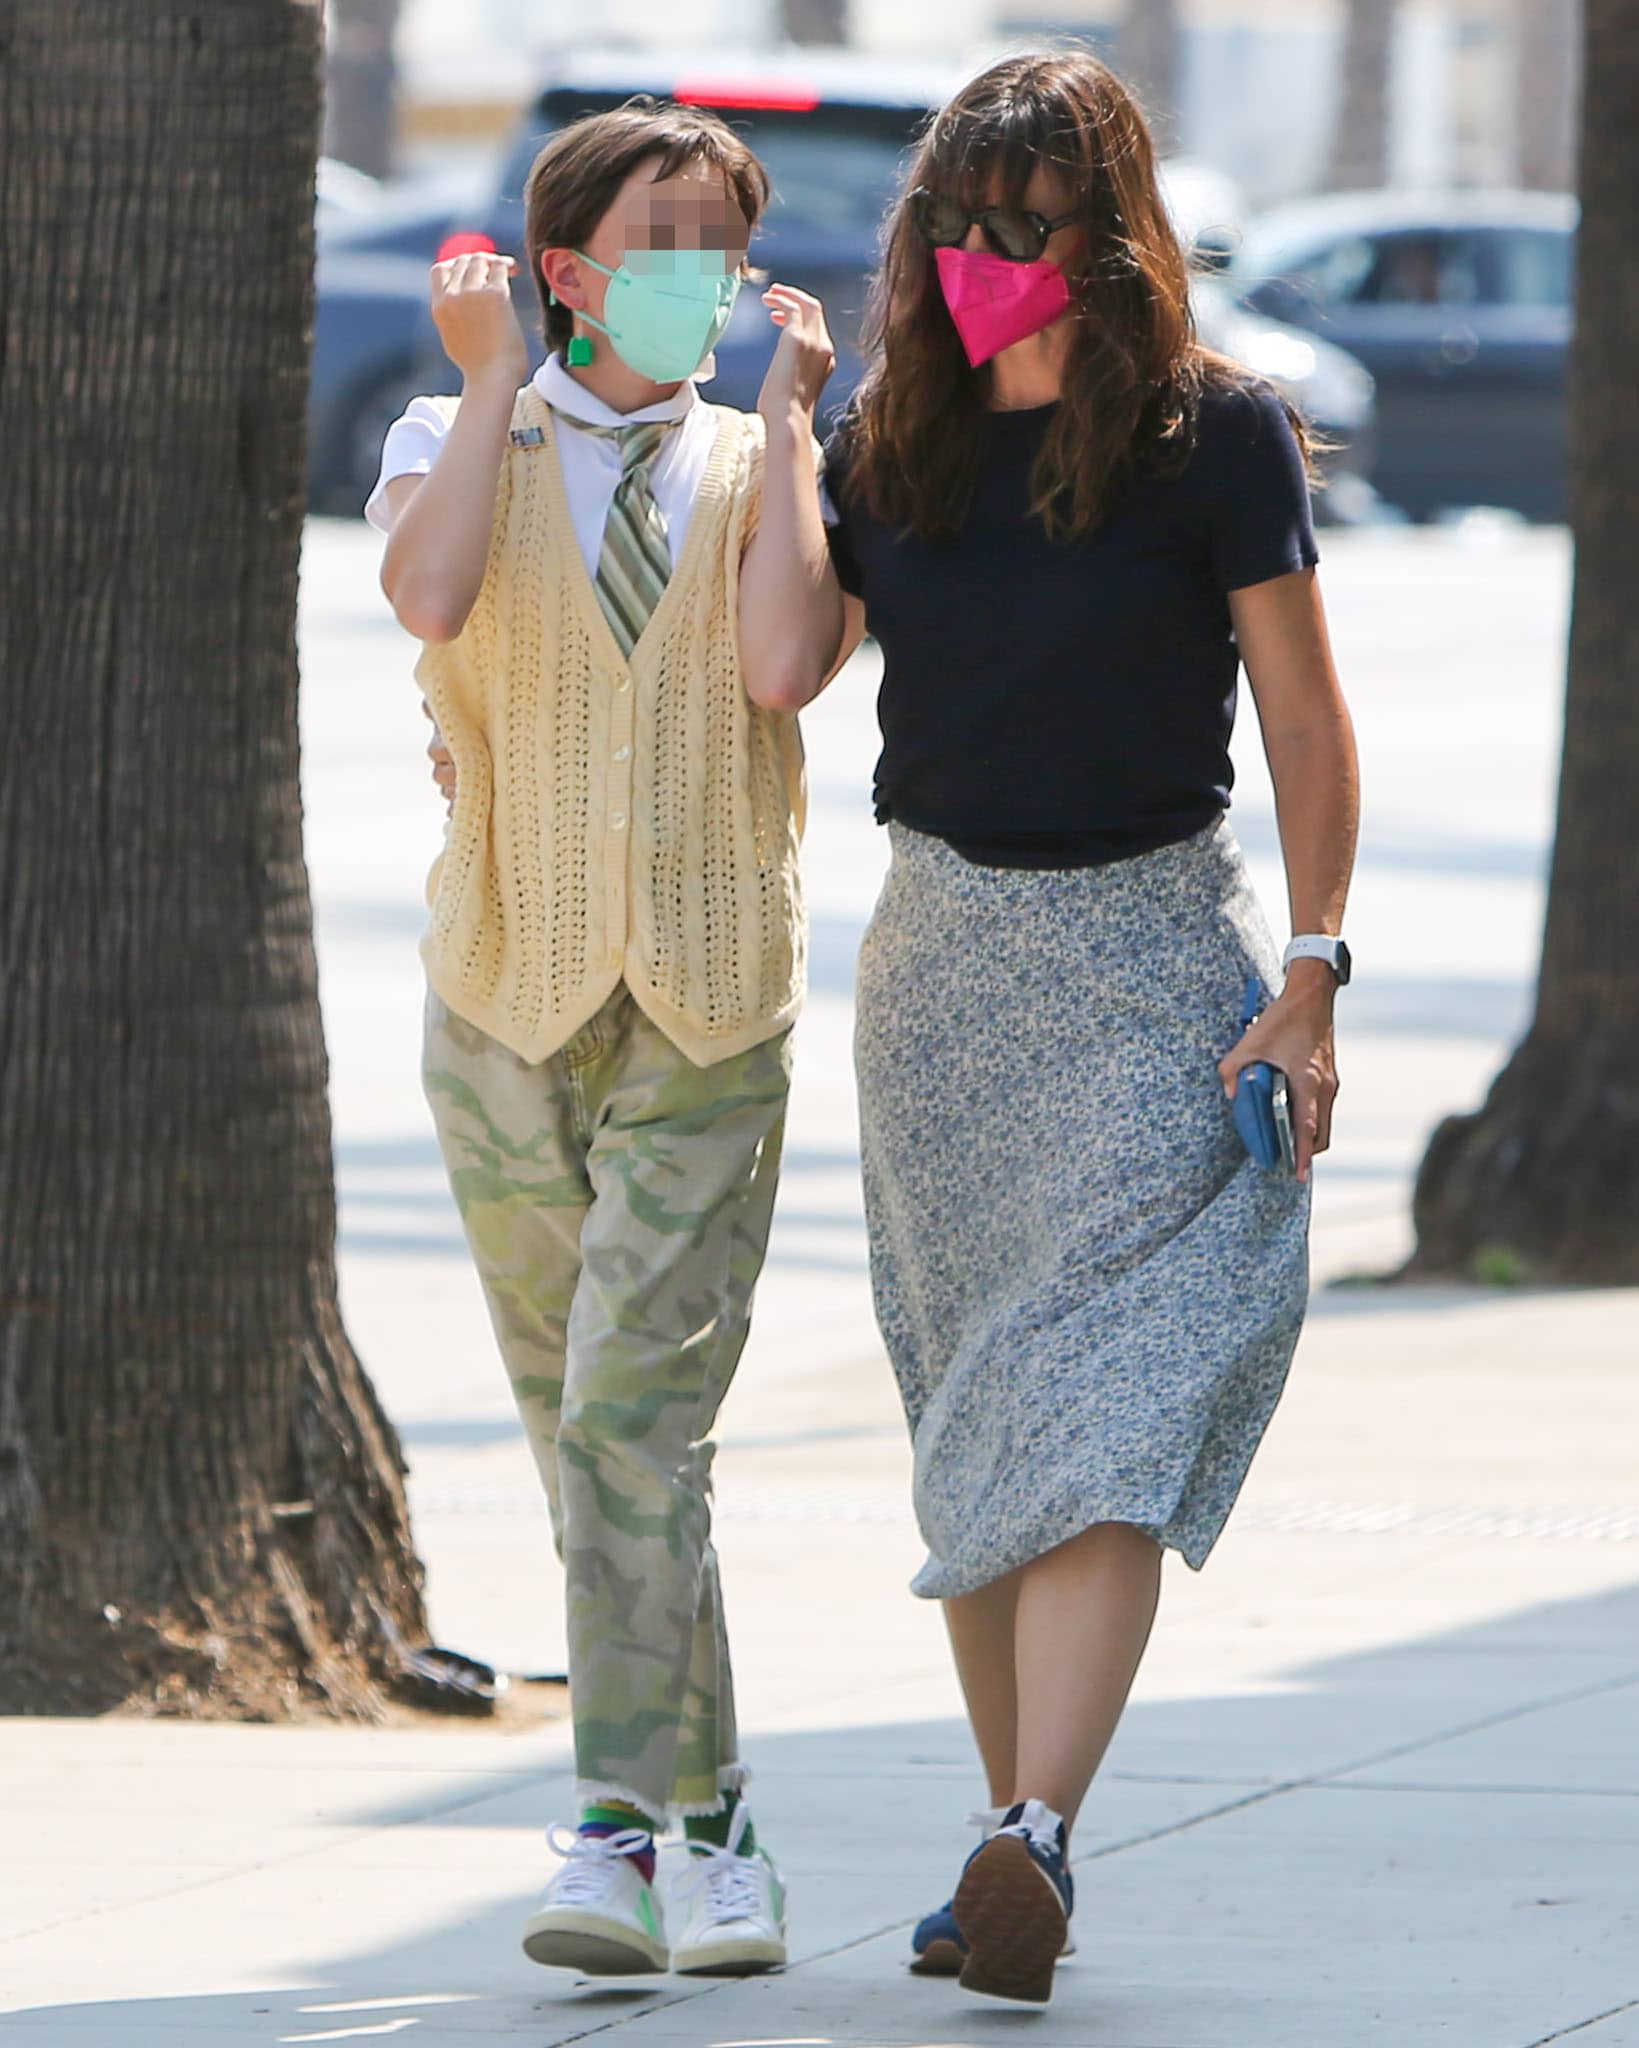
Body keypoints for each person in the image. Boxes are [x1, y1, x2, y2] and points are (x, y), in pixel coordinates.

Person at [742, 50, 1361, 2007]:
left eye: (1031, 222)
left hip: (1154, 960)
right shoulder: (888, 438)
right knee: (982, 1414)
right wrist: (779, 429)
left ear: (1112, 235)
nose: (991, 255)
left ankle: (1033, 1832)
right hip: (938, 972)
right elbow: (780, 665)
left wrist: (1313, 970)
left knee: (1110, 1403)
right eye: (958, 221)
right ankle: (1006, 1829)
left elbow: (1306, 723)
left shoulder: (1213, 435)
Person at [369, 100, 837, 1983]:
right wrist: (490, 386)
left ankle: (616, 1837)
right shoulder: (449, 438)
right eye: (664, 236)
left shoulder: (765, 460)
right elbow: (430, 596)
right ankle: (721, 1831)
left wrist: (801, 420)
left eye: (724, 239)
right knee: (601, 1454)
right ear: (569, 269)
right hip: (502, 1003)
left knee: (637, 1426)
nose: (703, 273)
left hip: (710, 1007)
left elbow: (789, 666)